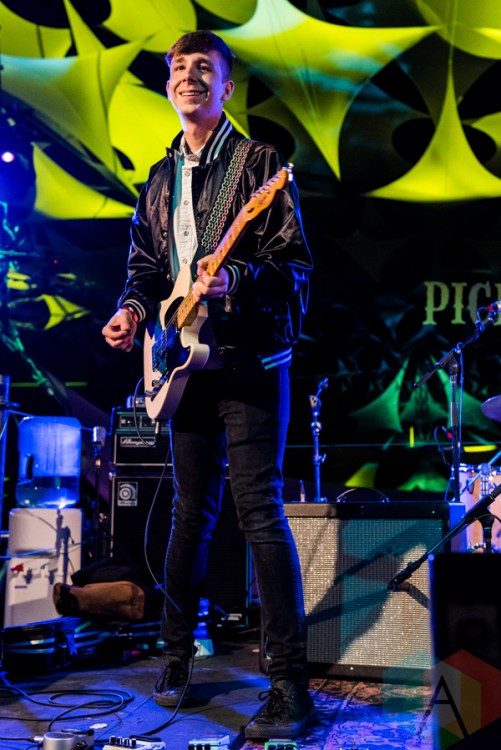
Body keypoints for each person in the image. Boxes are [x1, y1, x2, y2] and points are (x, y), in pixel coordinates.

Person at [102, 30, 315, 741]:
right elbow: (145, 269)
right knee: (189, 514)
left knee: (259, 512)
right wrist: (133, 313)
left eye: (204, 69)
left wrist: (237, 280)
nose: (188, 77)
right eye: (178, 69)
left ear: (226, 87)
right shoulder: (159, 178)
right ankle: (174, 657)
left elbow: (295, 265)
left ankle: (289, 685)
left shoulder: (260, 164)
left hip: (249, 365)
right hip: (181, 364)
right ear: (168, 85)